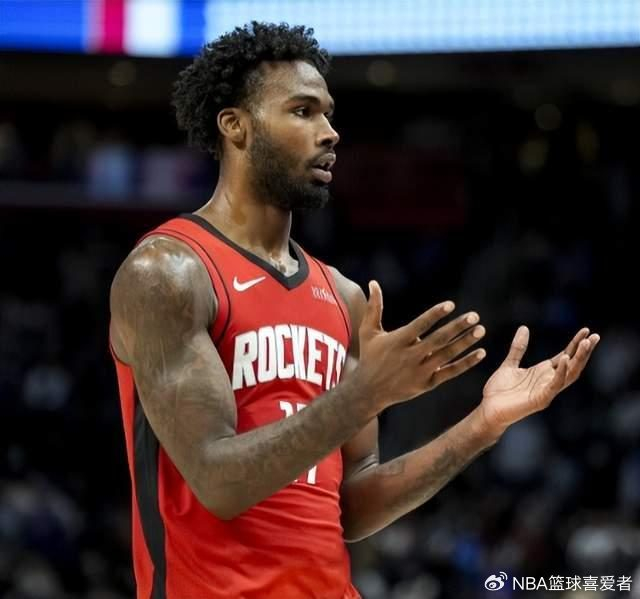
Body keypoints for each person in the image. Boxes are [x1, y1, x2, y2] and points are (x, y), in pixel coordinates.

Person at [108, 21, 599, 599]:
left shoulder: (342, 296)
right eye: (303, 111)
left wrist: (483, 426)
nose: (330, 132)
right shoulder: (169, 273)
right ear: (235, 126)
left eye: (329, 114)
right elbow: (217, 481)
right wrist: (366, 393)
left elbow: (352, 507)